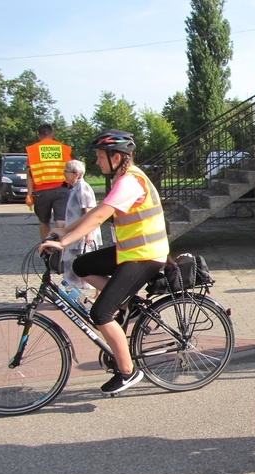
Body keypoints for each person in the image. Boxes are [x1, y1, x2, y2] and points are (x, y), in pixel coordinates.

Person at [39, 130, 169, 395]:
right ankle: (126, 301)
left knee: (100, 314)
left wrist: (63, 244)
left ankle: (127, 371)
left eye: (100, 156)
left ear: (116, 156)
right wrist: (61, 233)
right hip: (130, 252)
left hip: (146, 255)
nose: (97, 162)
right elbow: (97, 214)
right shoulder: (123, 179)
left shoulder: (130, 182)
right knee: (82, 266)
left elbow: (98, 216)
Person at [61, 160, 103, 293]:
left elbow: (89, 211)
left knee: (87, 264)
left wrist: (88, 234)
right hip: (75, 234)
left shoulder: (82, 188)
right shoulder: (74, 188)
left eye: (66, 171)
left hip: (83, 235)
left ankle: (96, 292)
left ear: (76, 174)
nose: (64, 174)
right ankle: (74, 290)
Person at [25, 124, 72, 240]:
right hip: (61, 189)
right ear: (52, 134)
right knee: (61, 220)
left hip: (41, 192)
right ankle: (63, 247)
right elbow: (71, 168)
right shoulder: (63, 148)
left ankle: (46, 250)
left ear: (38, 135)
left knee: (44, 221)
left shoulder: (33, 150)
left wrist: (29, 194)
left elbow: (30, 175)